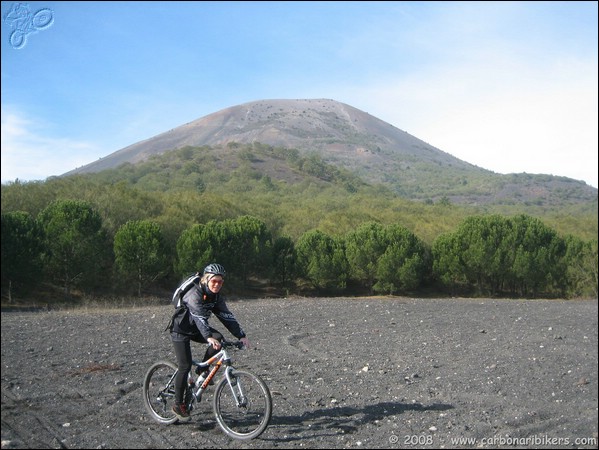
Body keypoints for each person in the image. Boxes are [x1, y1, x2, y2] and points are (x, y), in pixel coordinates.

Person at [167, 263, 250, 422]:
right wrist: (207, 336)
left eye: (220, 282)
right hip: (180, 330)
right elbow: (198, 316)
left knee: (218, 338)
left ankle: (202, 370)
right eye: (214, 281)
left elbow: (226, 316)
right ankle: (178, 404)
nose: (217, 285)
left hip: (197, 329)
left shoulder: (216, 297)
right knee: (184, 366)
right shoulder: (194, 293)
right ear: (206, 279)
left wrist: (241, 335)